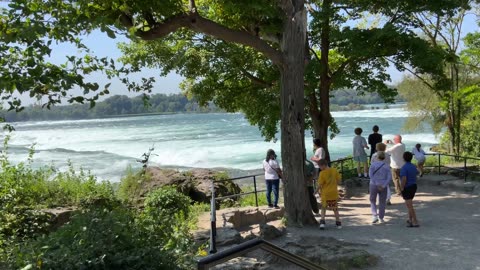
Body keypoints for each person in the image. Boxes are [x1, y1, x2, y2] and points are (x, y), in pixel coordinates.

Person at [317, 159, 342, 229]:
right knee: (335, 208)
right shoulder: (334, 170)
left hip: (325, 193)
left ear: (323, 165)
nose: (319, 168)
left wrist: (315, 191)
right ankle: (338, 223)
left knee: (323, 208)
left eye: (320, 166)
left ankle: (322, 222)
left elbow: (320, 184)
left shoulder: (322, 173)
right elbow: (339, 180)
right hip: (333, 192)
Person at [368, 152, 392, 224]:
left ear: (377, 157)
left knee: (372, 200)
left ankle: (374, 216)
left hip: (373, 184)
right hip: (383, 185)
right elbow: (389, 177)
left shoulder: (373, 165)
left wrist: (376, 183)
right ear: (384, 158)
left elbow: (370, 175)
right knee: (382, 202)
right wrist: (384, 185)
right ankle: (381, 217)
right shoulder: (387, 166)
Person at [400, 151, 420, 227]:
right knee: (409, 203)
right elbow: (417, 173)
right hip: (413, 186)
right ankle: (410, 219)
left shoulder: (404, 167)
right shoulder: (413, 166)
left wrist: (402, 188)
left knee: (409, 205)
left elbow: (404, 179)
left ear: (404, 158)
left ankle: (415, 221)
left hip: (407, 187)